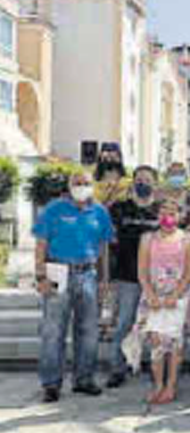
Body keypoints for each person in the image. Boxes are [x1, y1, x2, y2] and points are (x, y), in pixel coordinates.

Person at [33, 171, 115, 403]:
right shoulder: (54, 209)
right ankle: (51, 383)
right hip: (58, 272)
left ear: (93, 186)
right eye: (77, 183)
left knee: (88, 330)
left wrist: (105, 281)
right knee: (53, 331)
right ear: (69, 186)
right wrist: (40, 275)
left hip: (87, 274)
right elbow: (41, 243)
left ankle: (83, 379)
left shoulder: (100, 212)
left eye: (86, 183)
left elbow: (104, 247)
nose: (81, 186)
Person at [106, 165, 161, 389]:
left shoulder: (161, 211)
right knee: (124, 323)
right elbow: (105, 231)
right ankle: (117, 368)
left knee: (156, 325)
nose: (142, 183)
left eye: (147, 180)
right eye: (138, 179)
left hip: (156, 278)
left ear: (155, 184)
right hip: (127, 276)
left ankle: (154, 368)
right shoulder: (120, 208)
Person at [138, 199, 190, 405]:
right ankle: (158, 384)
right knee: (156, 342)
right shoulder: (147, 238)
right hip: (153, 295)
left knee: (174, 344)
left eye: (173, 211)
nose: (168, 214)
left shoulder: (188, 239)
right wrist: (150, 294)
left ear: (180, 215)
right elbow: (142, 270)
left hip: (177, 297)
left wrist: (176, 294)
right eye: (164, 210)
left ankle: (171, 385)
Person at [94, 142, 129, 207]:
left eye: (112, 152)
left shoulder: (127, 180)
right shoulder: (93, 180)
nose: (109, 154)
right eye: (106, 152)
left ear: (119, 157)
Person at [161, 162, 190, 228]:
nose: (177, 176)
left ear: (185, 177)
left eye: (180, 174)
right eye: (174, 173)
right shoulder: (160, 195)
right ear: (167, 176)